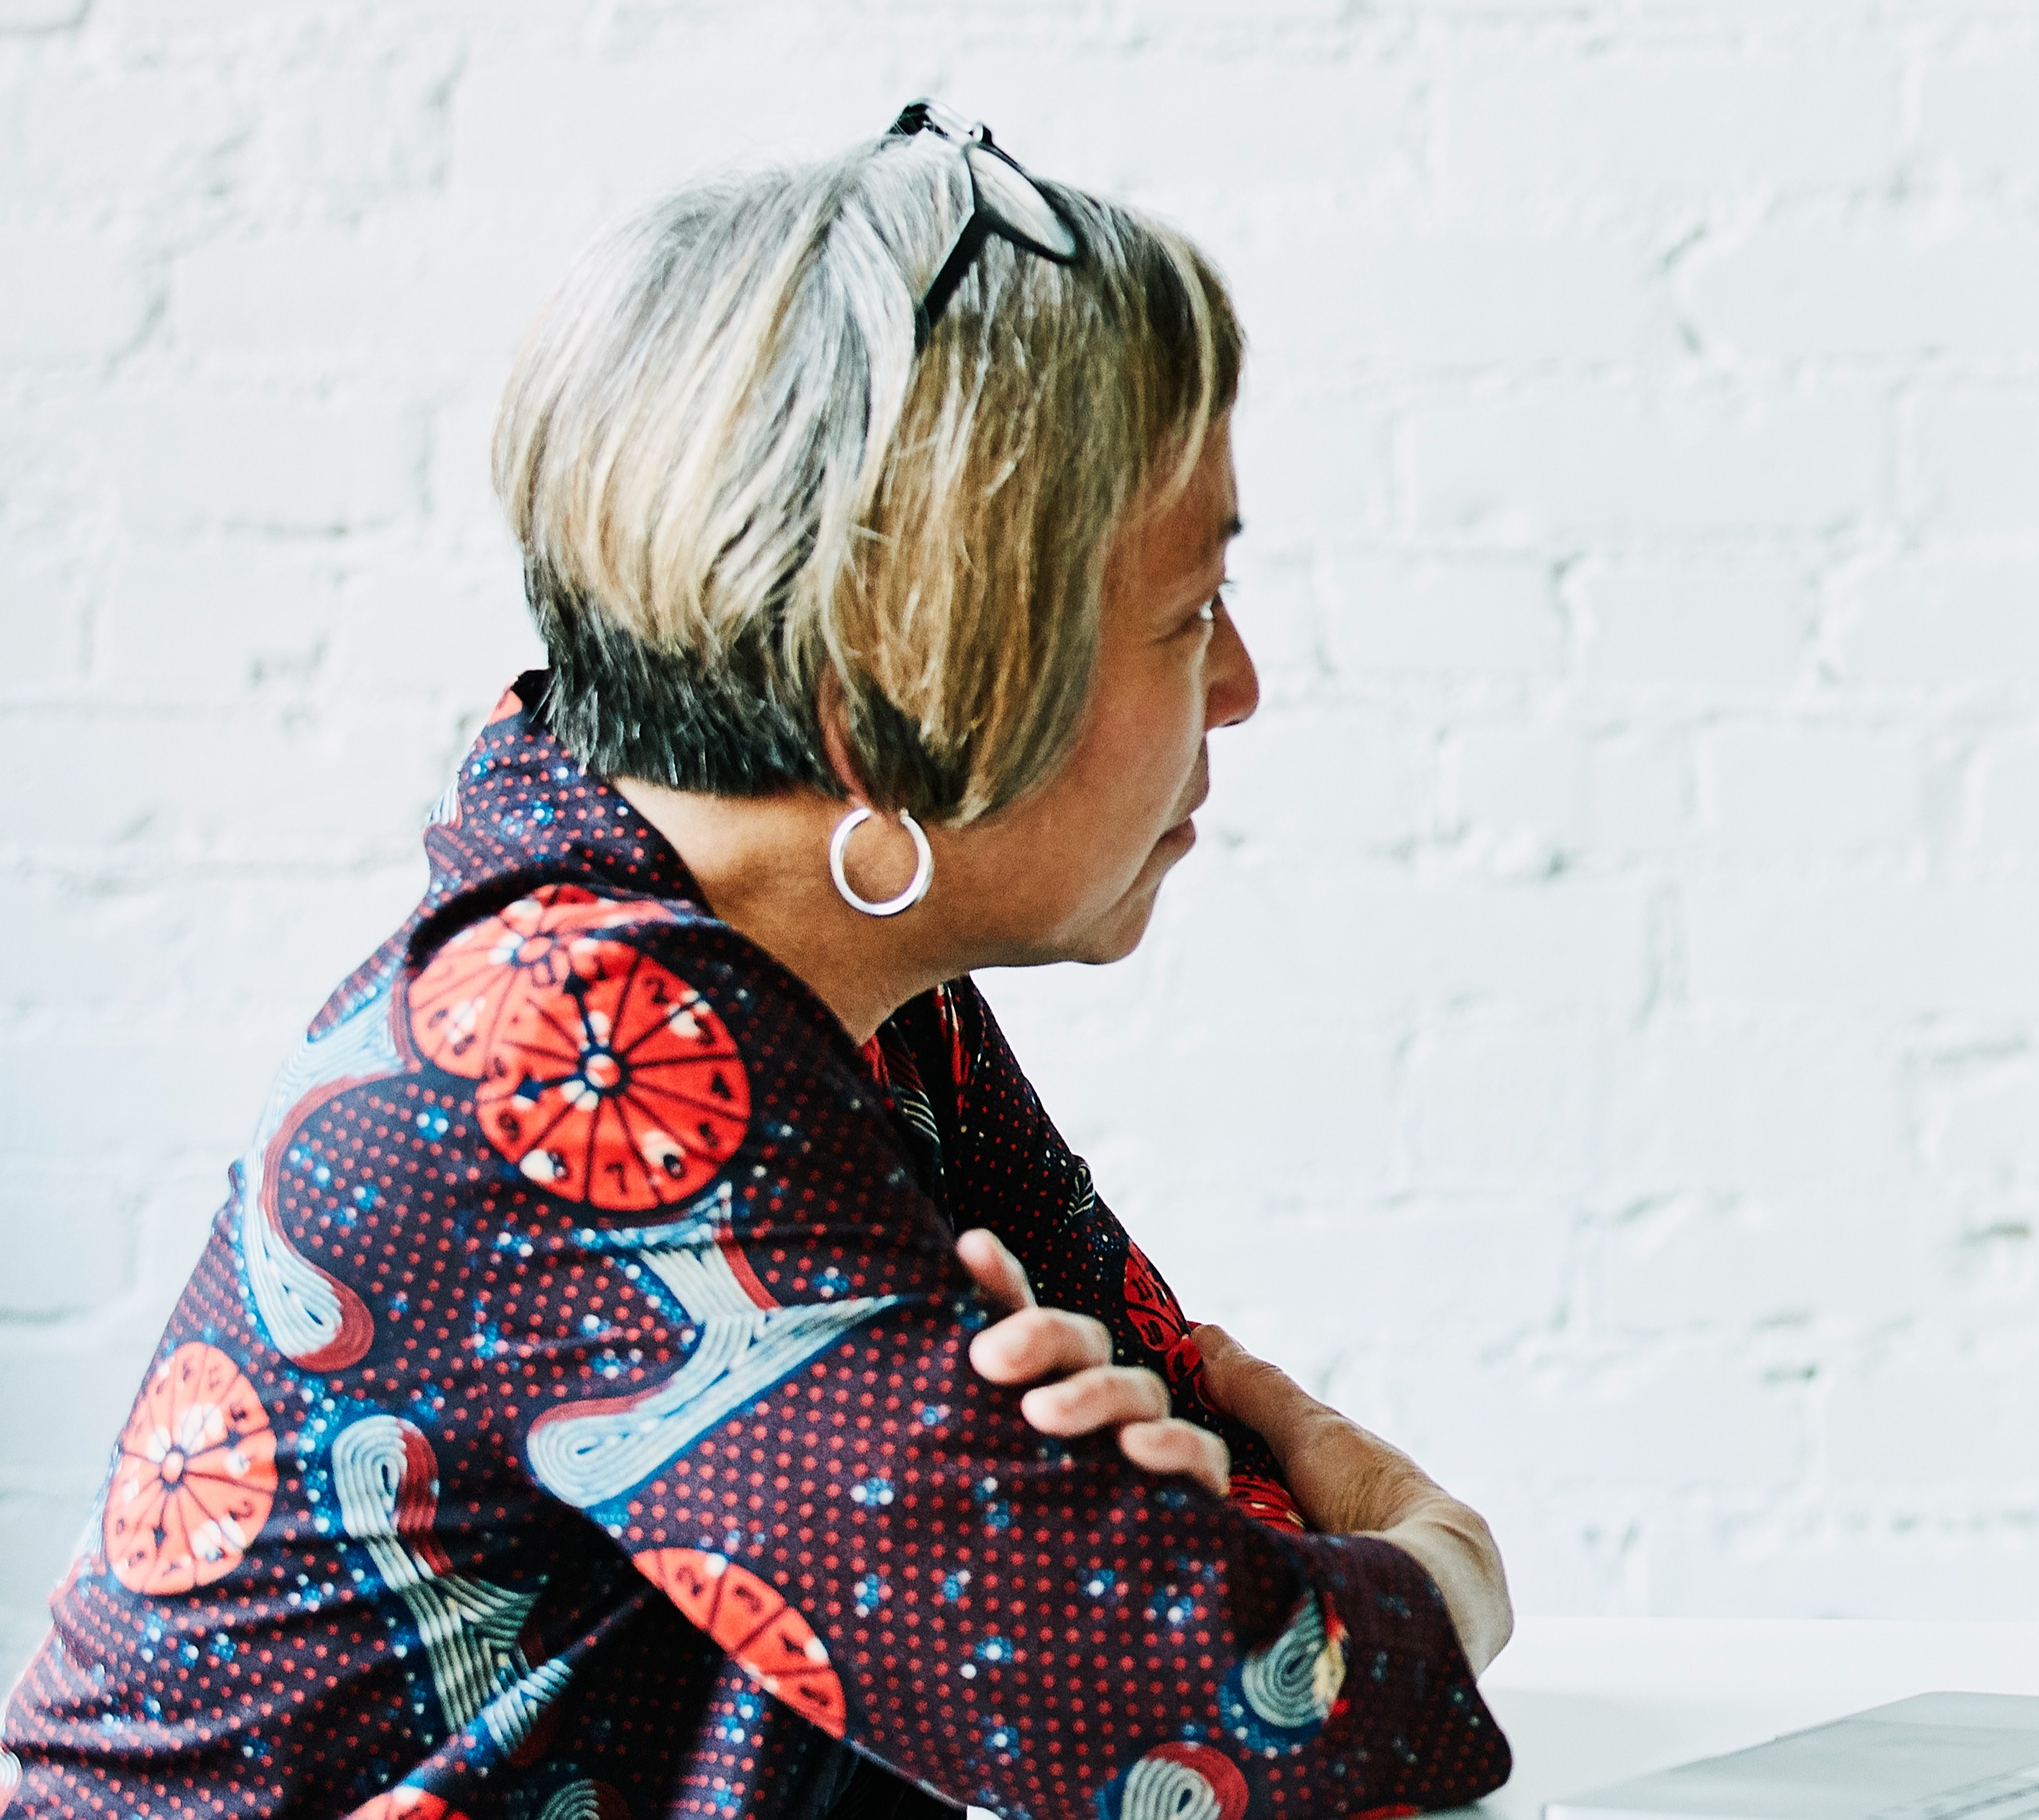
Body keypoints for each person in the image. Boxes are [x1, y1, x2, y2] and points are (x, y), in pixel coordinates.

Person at [1, 107, 1513, 1818]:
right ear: (903, 679)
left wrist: (1192, 1563)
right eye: (1182, 615)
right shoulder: (572, 1049)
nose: (1237, 686)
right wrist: (1442, 1566)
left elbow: (1187, 1474)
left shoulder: (839, 984)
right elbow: (1206, 1709)